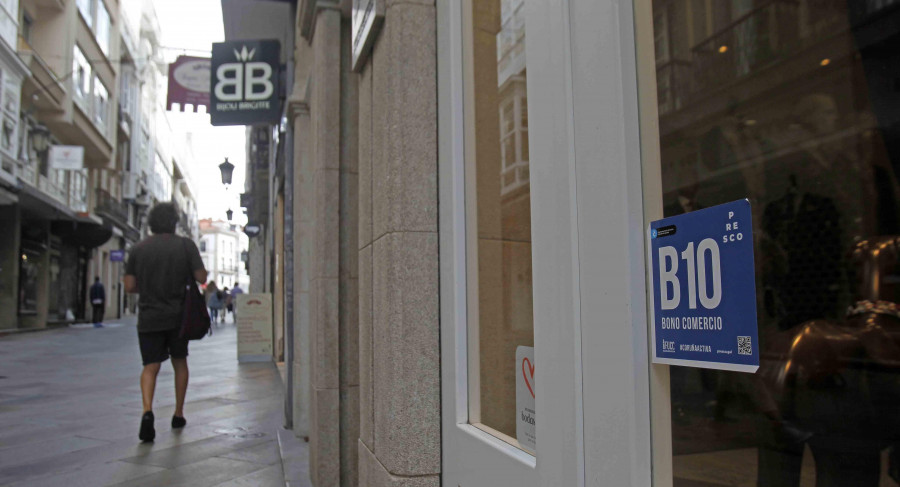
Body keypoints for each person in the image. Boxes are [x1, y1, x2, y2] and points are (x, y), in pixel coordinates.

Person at [123, 202, 206, 442]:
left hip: (149, 316)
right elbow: (201, 277)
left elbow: (129, 286)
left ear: (151, 223)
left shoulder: (138, 249)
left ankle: (147, 411)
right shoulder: (185, 245)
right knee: (179, 362)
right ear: (174, 222)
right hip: (179, 317)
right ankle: (178, 413)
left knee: (150, 366)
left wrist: (147, 286)